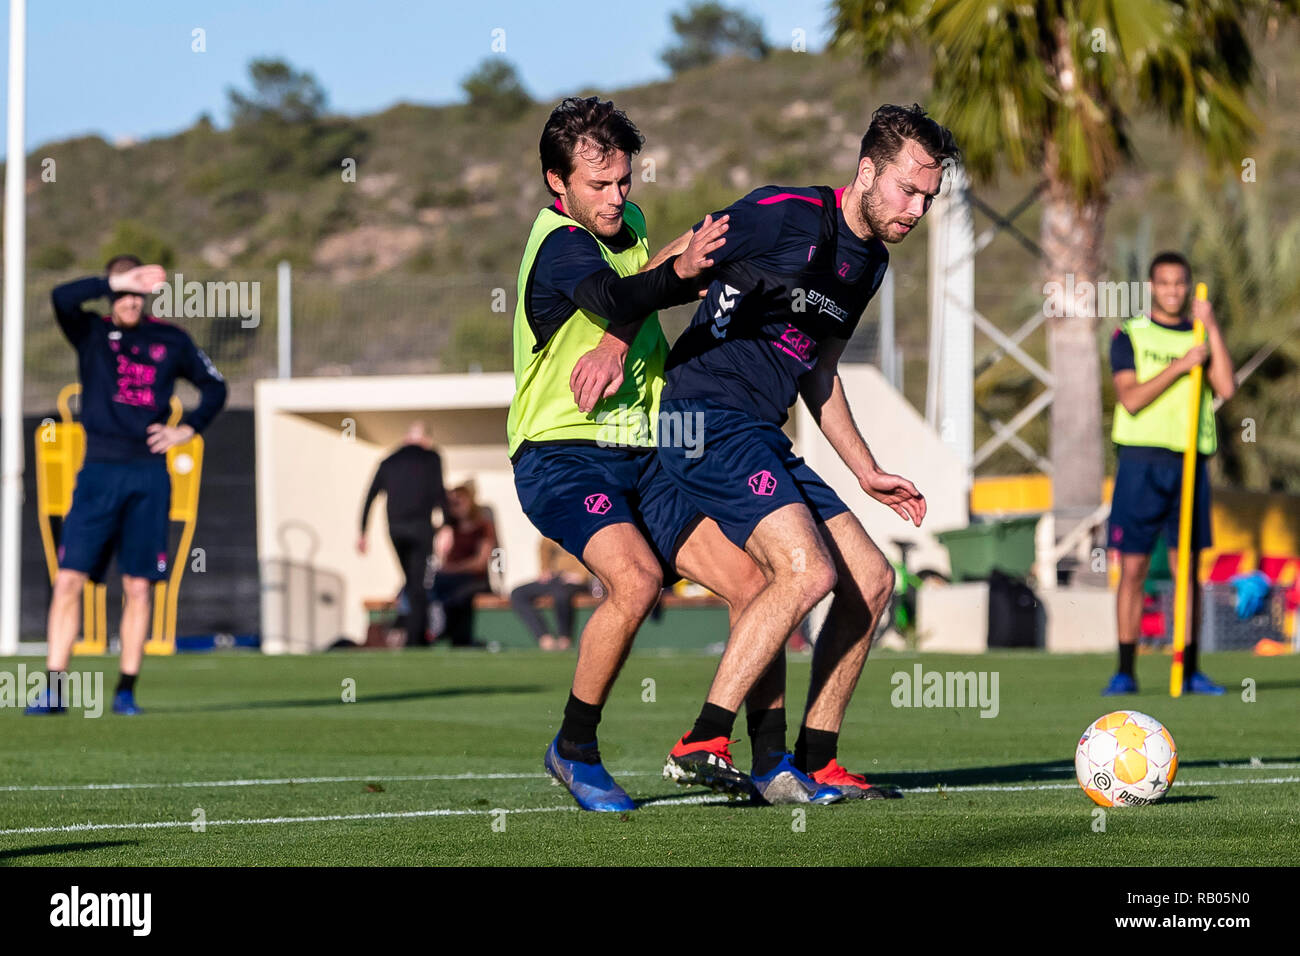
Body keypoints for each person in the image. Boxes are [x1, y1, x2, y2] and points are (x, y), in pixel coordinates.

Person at [642, 104, 957, 798]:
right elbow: (670, 260)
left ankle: (815, 759)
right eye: (908, 189)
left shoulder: (870, 262)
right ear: (866, 170)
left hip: (760, 432)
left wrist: (866, 469)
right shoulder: (781, 212)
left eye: (929, 198)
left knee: (872, 582)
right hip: (699, 418)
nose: (916, 208)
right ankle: (702, 736)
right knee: (806, 571)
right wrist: (615, 336)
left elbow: (819, 371)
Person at [510, 96, 813, 812]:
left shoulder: (632, 223)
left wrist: (625, 329)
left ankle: (770, 761)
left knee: (756, 585)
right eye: (598, 186)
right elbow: (617, 289)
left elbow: (633, 292)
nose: (616, 199)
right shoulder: (559, 244)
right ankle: (574, 748)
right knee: (638, 582)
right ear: (559, 185)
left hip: (644, 453)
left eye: (624, 181)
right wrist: (678, 273)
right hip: (562, 454)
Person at [28, 255, 227, 715]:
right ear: (113, 292)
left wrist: (189, 428)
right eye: (123, 292)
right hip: (98, 471)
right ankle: (55, 686)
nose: (130, 301)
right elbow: (60, 297)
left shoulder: (170, 339)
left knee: (139, 587)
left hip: (148, 474)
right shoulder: (92, 333)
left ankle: (125, 690)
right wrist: (112, 280)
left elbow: (215, 387)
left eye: (139, 292)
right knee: (70, 580)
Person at [1103, 251, 1235, 695]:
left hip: (1191, 462)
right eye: (1164, 283)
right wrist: (1180, 366)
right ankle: (1125, 669)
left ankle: (1191, 667)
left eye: (1181, 283)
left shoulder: (1201, 334)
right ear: (1152, 287)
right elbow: (1131, 399)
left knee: (1188, 570)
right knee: (1134, 568)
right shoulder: (1130, 335)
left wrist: (1211, 328)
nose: (1173, 291)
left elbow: (1227, 387)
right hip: (1141, 462)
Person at [358, 421, 447, 647]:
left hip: (395, 530)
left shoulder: (389, 461)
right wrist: (447, 524)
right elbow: (439, 491)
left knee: (412, 580)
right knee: (417, 584)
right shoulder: (431, 458)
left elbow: (370, 495)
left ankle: (414, 632)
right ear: (426, 439)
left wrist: (362, 531)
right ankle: (415, 639)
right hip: (420, 529)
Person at [428, 483, 497, 647]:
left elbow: (480, 563)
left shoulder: (483, 526)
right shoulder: (449, 529)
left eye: (459, 501)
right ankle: (433, 630)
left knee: (459, 595)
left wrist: (454, 568)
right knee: (433, 586)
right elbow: (442, 557)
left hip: (475, 580)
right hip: (451, 579)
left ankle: (460, 638)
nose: (456, 506)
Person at [510, 538, 594, 650]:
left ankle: (564, 638)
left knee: (561, 594)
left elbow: (592, 552)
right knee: (518, 593)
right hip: (557, 577)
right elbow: (544, 547)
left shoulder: (584, 528)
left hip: (578, 580)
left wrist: (581, 575)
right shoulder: (556, 523)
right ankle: (544, 637)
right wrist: (545, 569)